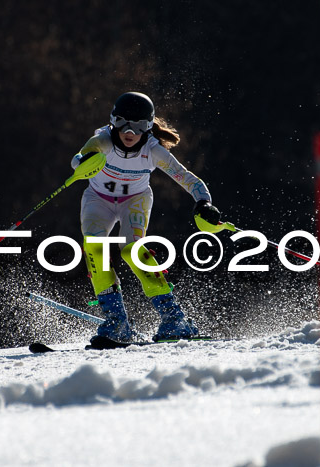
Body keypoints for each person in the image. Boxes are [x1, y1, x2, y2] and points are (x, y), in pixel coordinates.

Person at [72, 91, 221, 342]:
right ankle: (117, 324)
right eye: (123, 122)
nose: (130, 131)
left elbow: (189, 179)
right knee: (94, 249)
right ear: (113, 121)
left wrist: (204, 202)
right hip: (98, 199)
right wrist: (83, 162)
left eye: (139, 125)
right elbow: (78, 159)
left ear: (149, 126)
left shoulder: (153, 150)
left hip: (135, 200)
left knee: (131, 250)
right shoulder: (103, 141)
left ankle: (174, 320)